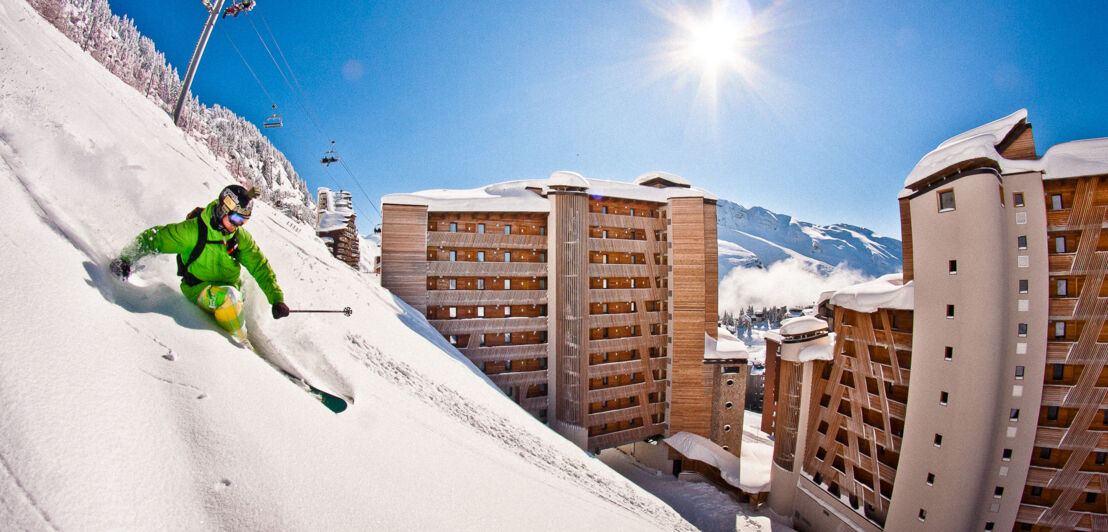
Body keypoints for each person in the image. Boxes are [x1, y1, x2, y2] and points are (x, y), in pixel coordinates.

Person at [110, 185, 289, 345]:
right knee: (231, 297)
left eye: (243, 221)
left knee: (237, 293)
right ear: (222, 210)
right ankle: (241, 342)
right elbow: (155, 239)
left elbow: (260, 267)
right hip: (200, 289)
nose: (238, 225)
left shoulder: (239, 237)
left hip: (229, 288)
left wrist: (276, 299)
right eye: (235, 218)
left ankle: (244, 328)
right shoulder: (193, 231)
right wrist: (126, 259)